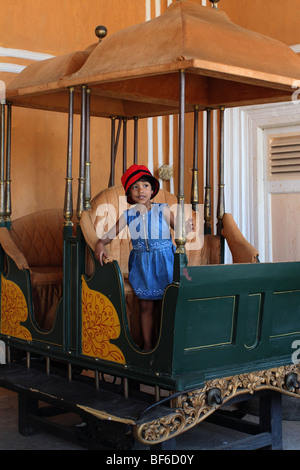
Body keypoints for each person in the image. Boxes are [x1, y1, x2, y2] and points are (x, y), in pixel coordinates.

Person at [94, 164, 193, 351]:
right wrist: (100, 243)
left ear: (152, 189)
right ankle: (147, 345)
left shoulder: (162, 209)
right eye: (135, 187)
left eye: (145, 185)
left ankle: (167, 345)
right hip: (143, 265)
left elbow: (179, 230)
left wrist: (186, 228)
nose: (141, 190)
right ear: (129, 193)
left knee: (167, 303)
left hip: (165, 263)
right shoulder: (128, 215)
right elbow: (110, 234)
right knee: (146, 305)